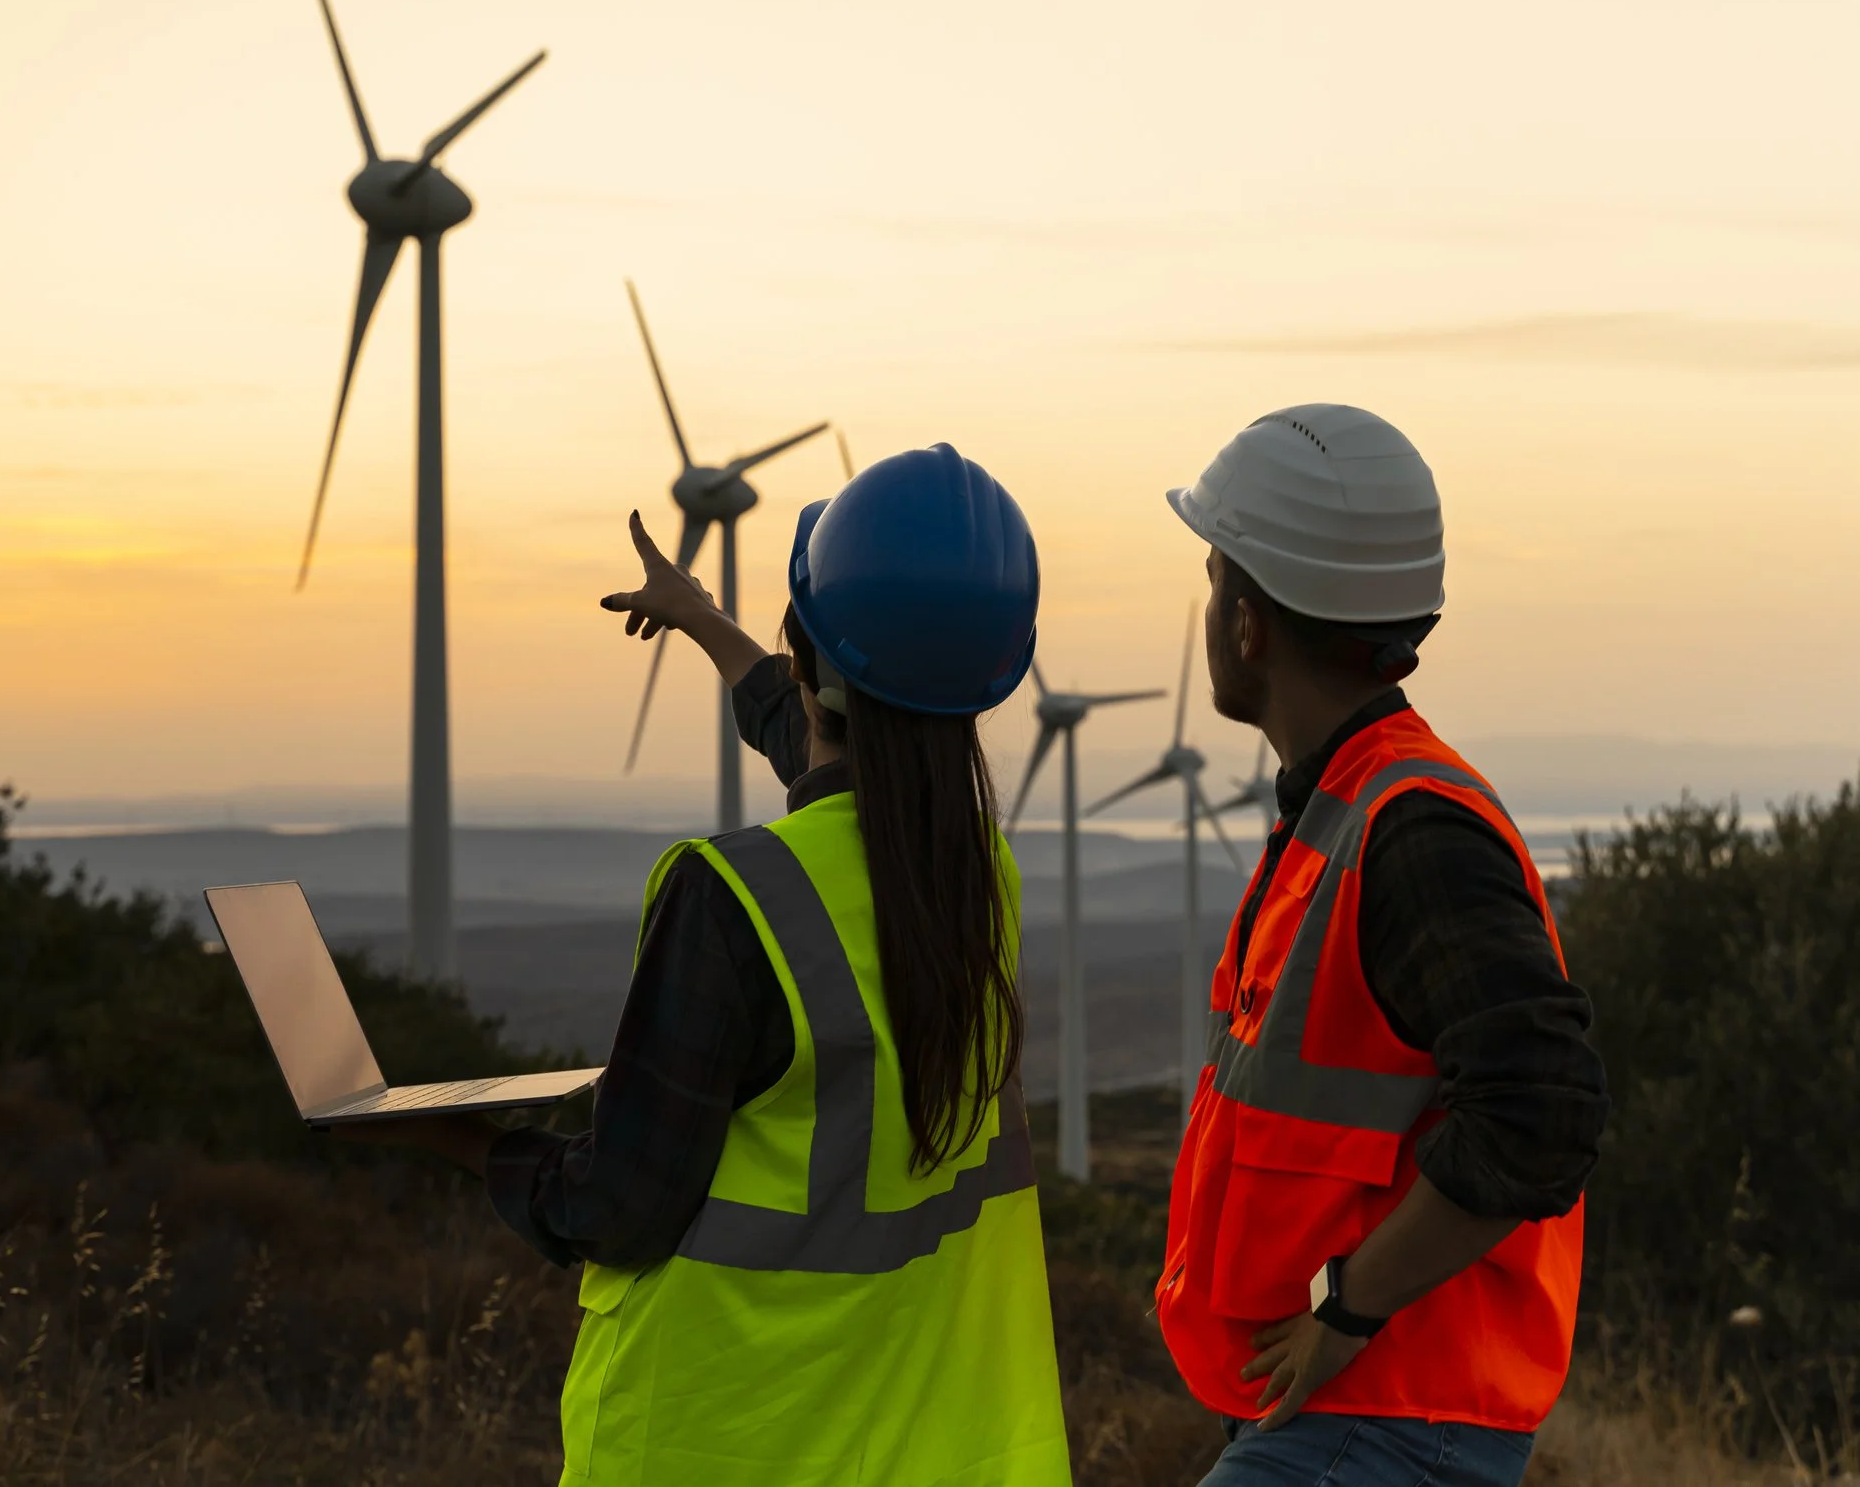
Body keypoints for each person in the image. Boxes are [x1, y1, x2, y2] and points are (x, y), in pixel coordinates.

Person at [354, 444, 1074, 1486]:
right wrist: (702, 619)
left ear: (816, 663)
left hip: (724, 1438)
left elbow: (616, 1206)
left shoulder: (736, 897)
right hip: (929, 1445)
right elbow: (831, 742)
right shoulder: (974, 878)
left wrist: (465, 1139)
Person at [1152, 404, 1608, 1487]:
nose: (1208, 606)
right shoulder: (1351, 806)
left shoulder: (1411, 830)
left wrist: (1346, 1312)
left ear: (1249, 621)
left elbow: (1542, 1105)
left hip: (1384, 1423)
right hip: (1348, 1422)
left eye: (1214, 577)